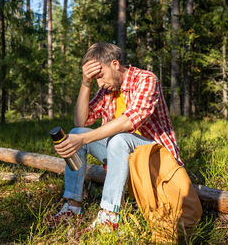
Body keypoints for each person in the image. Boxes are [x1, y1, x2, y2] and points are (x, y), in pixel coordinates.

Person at [49, 42, 183, 234]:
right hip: (123, 159)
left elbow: (129, 122)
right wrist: (85, 83)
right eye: (94, 79)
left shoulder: (146, 79)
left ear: (115, 64)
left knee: (119, 138)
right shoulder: (106, 90)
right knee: (76, 133)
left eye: (100, 75)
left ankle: (109, 216)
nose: (100, 83)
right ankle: (72, 207)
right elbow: (80, 121)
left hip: (154, 161)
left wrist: (85, 140)